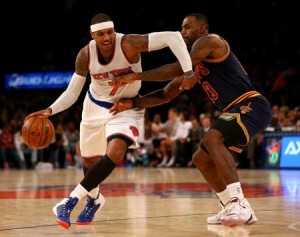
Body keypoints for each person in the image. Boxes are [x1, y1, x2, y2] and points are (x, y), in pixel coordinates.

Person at [24, 13, 193, 229]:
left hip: (126, 106)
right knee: (89, 161)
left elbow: (173, 37)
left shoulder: (130, 44)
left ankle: (69, 201)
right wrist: (50, 110)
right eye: (101, 34)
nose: (106, 38)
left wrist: (188, 72)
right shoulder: (85, 55)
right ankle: (94, 200)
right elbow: (72, 93)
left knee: (115, 151)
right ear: (92, 35)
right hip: (94, 105)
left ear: (114, 31)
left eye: (110, 32)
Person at [109, 13, 272, 227]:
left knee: (213, 138)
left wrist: (137, 76)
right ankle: (228, 205)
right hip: (235, 109)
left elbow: (177, 68)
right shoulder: (192, 67)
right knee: (200, 159)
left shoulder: (210, 41)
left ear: (202, 29)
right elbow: (166, 94)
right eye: (181, 28)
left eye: (187, 27)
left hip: (251, 104)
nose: (183, 31)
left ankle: (239, 204)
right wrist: (133, 103)